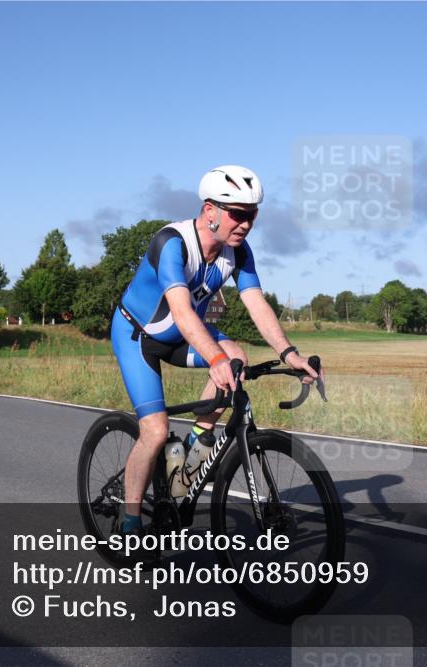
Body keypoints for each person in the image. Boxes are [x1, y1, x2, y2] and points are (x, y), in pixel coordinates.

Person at [111, 165, 321, 535]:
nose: (246, 224)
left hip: (181, 334)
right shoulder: (171, 243)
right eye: (238, 214)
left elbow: (257, 304)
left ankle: (190, 453)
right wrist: (216, 358)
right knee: (156, 432)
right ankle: (129, 523)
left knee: (236, 358)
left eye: (252, 215)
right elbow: (180, 310)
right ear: (210, 210)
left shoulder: (238, 253)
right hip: (138, 336)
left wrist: (290, 354)